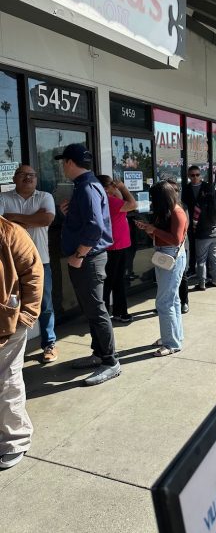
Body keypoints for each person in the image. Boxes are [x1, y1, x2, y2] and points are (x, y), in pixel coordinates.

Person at [55, 144, 120, 386]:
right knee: (91, 310)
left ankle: (110, 362)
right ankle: (99, 354)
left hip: (88, 259)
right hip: (87, 258)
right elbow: (88, 220)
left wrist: (79, 255)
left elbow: (95, 227)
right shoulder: (85, 185)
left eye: (64, 163)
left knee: (97, 310)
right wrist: (69, 213)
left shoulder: (87, 187)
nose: (63, 167)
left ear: (70, 163)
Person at [0, 165, 57, 364]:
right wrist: (32, 219)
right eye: (23, 175)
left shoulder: (45, 197)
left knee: (45, 304)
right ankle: (10, 343)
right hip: (10, 264)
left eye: (32, 175)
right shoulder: (3, 197)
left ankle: (49, 344)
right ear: (14, 178)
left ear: (37, 178)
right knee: (9, 302)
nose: (28, 178)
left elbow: (46, 219)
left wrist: (12, 218)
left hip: (41, 261)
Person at [0, 216, 43, 469]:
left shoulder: (10, 233)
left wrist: (26, 316)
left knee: (7, 383)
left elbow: (34, 273)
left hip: (7, 325)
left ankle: (15, 440)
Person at [136, 182, 188, 356]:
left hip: (171, 257)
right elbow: (161, 235)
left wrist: (154, 230)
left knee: (164, 302)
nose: (152, 201)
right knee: (172, 300)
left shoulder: (177, 212)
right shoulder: (166, 212)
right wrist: (149, 230)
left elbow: (176, 239)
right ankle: (173, 336)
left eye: (154, 198)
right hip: (164, 255)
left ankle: (171, 342)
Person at [96, 176, 137, 322]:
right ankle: (108, 313)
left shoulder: (109, 200)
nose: (116, 187)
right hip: (114, 247)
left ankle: (117, 311)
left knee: (116, 280)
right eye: (112, 184)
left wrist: (115, 189)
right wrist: (123, 187)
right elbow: (133, 204)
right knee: (110, 281)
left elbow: (120, 199)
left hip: (117, 246)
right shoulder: (110, 201)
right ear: (106, 188)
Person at [181, 166, 211, 276]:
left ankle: (207, 270)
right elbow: (184, 205)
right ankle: (192, 268)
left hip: (205, 222)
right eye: (192, 175)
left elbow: (212, 204)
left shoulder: (207, 187)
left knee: (205, 247)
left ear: (200, 175)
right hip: (191, 222)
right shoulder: (186, 188)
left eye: (197, 175)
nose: (195, 177)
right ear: (189, 176)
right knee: (193, 246)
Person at [167, 179, 190, 314]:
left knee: (182, 276)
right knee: (167, 278)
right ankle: (168, 301)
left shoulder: (182, 207)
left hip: (180, 247)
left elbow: (186, 226)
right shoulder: (163, 207)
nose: (174, 193)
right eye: (171, 190)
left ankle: (184, 301)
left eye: (176, 190)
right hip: (165, 247)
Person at [194, 190, 216, 291]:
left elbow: (195, 221)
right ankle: (215, 281)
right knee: (214, 258)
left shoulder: (199, 206)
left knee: (201, 260)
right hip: (215, 235)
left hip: (202, 236)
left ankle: (202, 284)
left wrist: (194, 230)